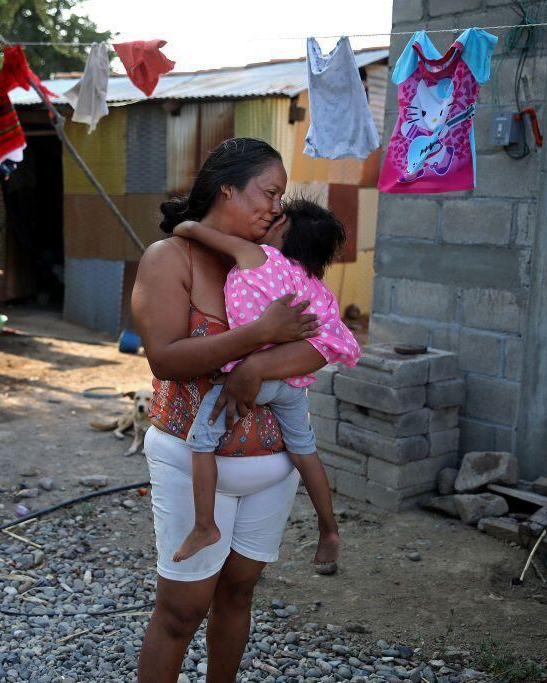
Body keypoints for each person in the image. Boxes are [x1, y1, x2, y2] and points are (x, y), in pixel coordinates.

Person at [132, 137, 327, 683]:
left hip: (274, 466)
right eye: (268, 193)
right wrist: (259, 337)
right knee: (182, 610)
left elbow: (325, 339)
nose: (276, 207)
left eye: (281, 197)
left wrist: (258, 367)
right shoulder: (170, 258)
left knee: (239, 593)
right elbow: (166, 359)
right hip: (191, 462)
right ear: (227, 188)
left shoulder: (283, 259)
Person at [169, 199, 361, 573]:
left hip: (254, 380)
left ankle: (205, 526)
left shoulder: (256, 255)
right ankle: (329, 528)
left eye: (277, 216)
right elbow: (328, 335)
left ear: (283, 227)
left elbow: (192, 231)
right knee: (305, 451)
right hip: (291, 384)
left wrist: (185, 224)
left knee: (201, 441)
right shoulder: (312, 282)